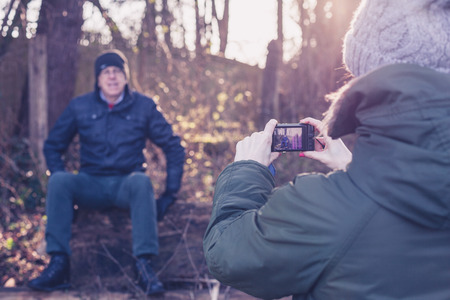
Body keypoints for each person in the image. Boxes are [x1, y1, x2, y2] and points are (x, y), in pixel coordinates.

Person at [203, 0, 450, 299]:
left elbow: (228, 253)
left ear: (372, 83)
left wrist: (246, 172)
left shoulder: (325, 212)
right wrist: (354, 167)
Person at [27, 49, 185, 295]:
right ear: (98, 79)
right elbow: (53, 146)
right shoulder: (80, 106)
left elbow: (173, 146)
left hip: (126, 185)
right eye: (106, 72)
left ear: (125, 77)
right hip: (90, 183)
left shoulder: (144, 106)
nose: (112, 77)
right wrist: (67, 192)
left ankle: (143, 265)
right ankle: (58, 264)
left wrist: (170, 193)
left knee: (141, 182)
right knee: (59, 180)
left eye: (118, 72)